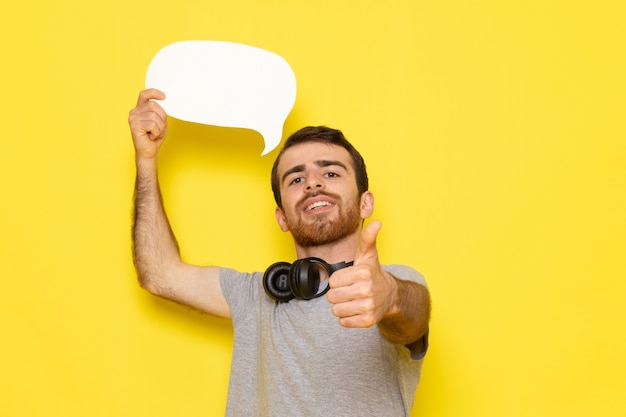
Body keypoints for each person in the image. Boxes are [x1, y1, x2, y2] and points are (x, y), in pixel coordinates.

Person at [128, 88, 431, 417]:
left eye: (330, 173)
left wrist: (391, 297)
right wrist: (146, 160)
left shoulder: (393, 284)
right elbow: (159, 274)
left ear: (365, 202)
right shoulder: (256, 296)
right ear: (282, 218)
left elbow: (413, 318)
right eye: (296, 178)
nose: (313, 183)